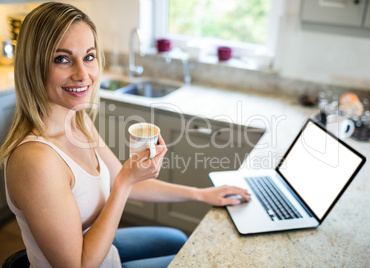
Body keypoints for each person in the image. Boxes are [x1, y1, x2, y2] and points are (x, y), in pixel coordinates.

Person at [0, 2, 250, 267]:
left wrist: (202, 194)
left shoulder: (78, 121)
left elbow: (127, 179)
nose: (83, 74)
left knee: (177, 239)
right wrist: (123, 184)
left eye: (89, 56)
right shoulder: (35, 160)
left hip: (107, 255)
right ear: (32, 65)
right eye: (62, 59)